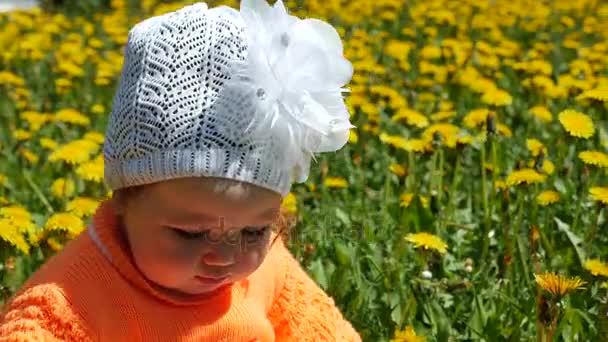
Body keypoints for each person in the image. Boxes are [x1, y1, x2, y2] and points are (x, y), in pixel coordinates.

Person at [0, 0, 360, 340]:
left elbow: (323, 331)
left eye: (254, 231)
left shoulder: (270, 271)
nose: (224, 257)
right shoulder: (68, 304)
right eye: (190, 234)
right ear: (124, 196)